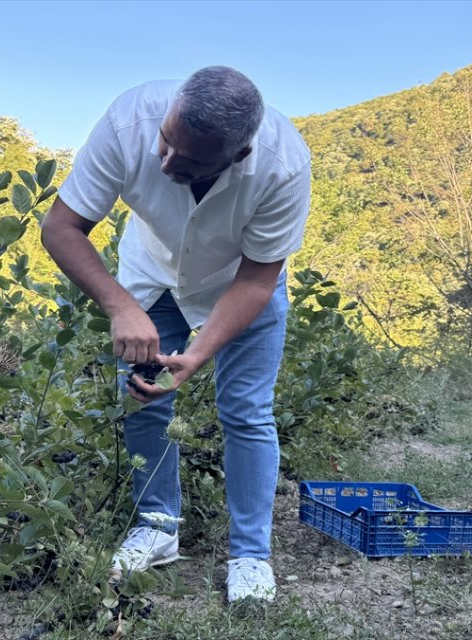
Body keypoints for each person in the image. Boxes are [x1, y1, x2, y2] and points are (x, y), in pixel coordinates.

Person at [40, 65, 311, 603]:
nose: (166, 162)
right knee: (143, 400)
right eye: (166, 143)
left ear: (238, 156)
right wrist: (120, 305)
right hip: (151, 274)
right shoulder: (129, 121)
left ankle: (251, 556)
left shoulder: (283, 166)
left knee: (247, 410)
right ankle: (158, 528)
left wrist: (200, 352)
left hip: (240, 283)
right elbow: (60, 227)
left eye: (188, 161)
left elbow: (258, 278)